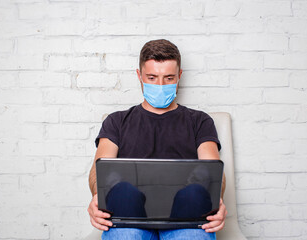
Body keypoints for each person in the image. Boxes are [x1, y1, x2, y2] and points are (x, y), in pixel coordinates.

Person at [88, 39, 227, 240]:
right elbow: (97, 172)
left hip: (185, 217)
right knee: (124, 201)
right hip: (129, 216)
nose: (160, 85)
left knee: (195, 197)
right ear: (139, 76)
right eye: (152, 78)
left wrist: (217, 199)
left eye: (168, 78)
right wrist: (96, 196)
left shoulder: (200, 121)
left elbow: (213, 169)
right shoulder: (116, 121)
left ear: (179, 76)